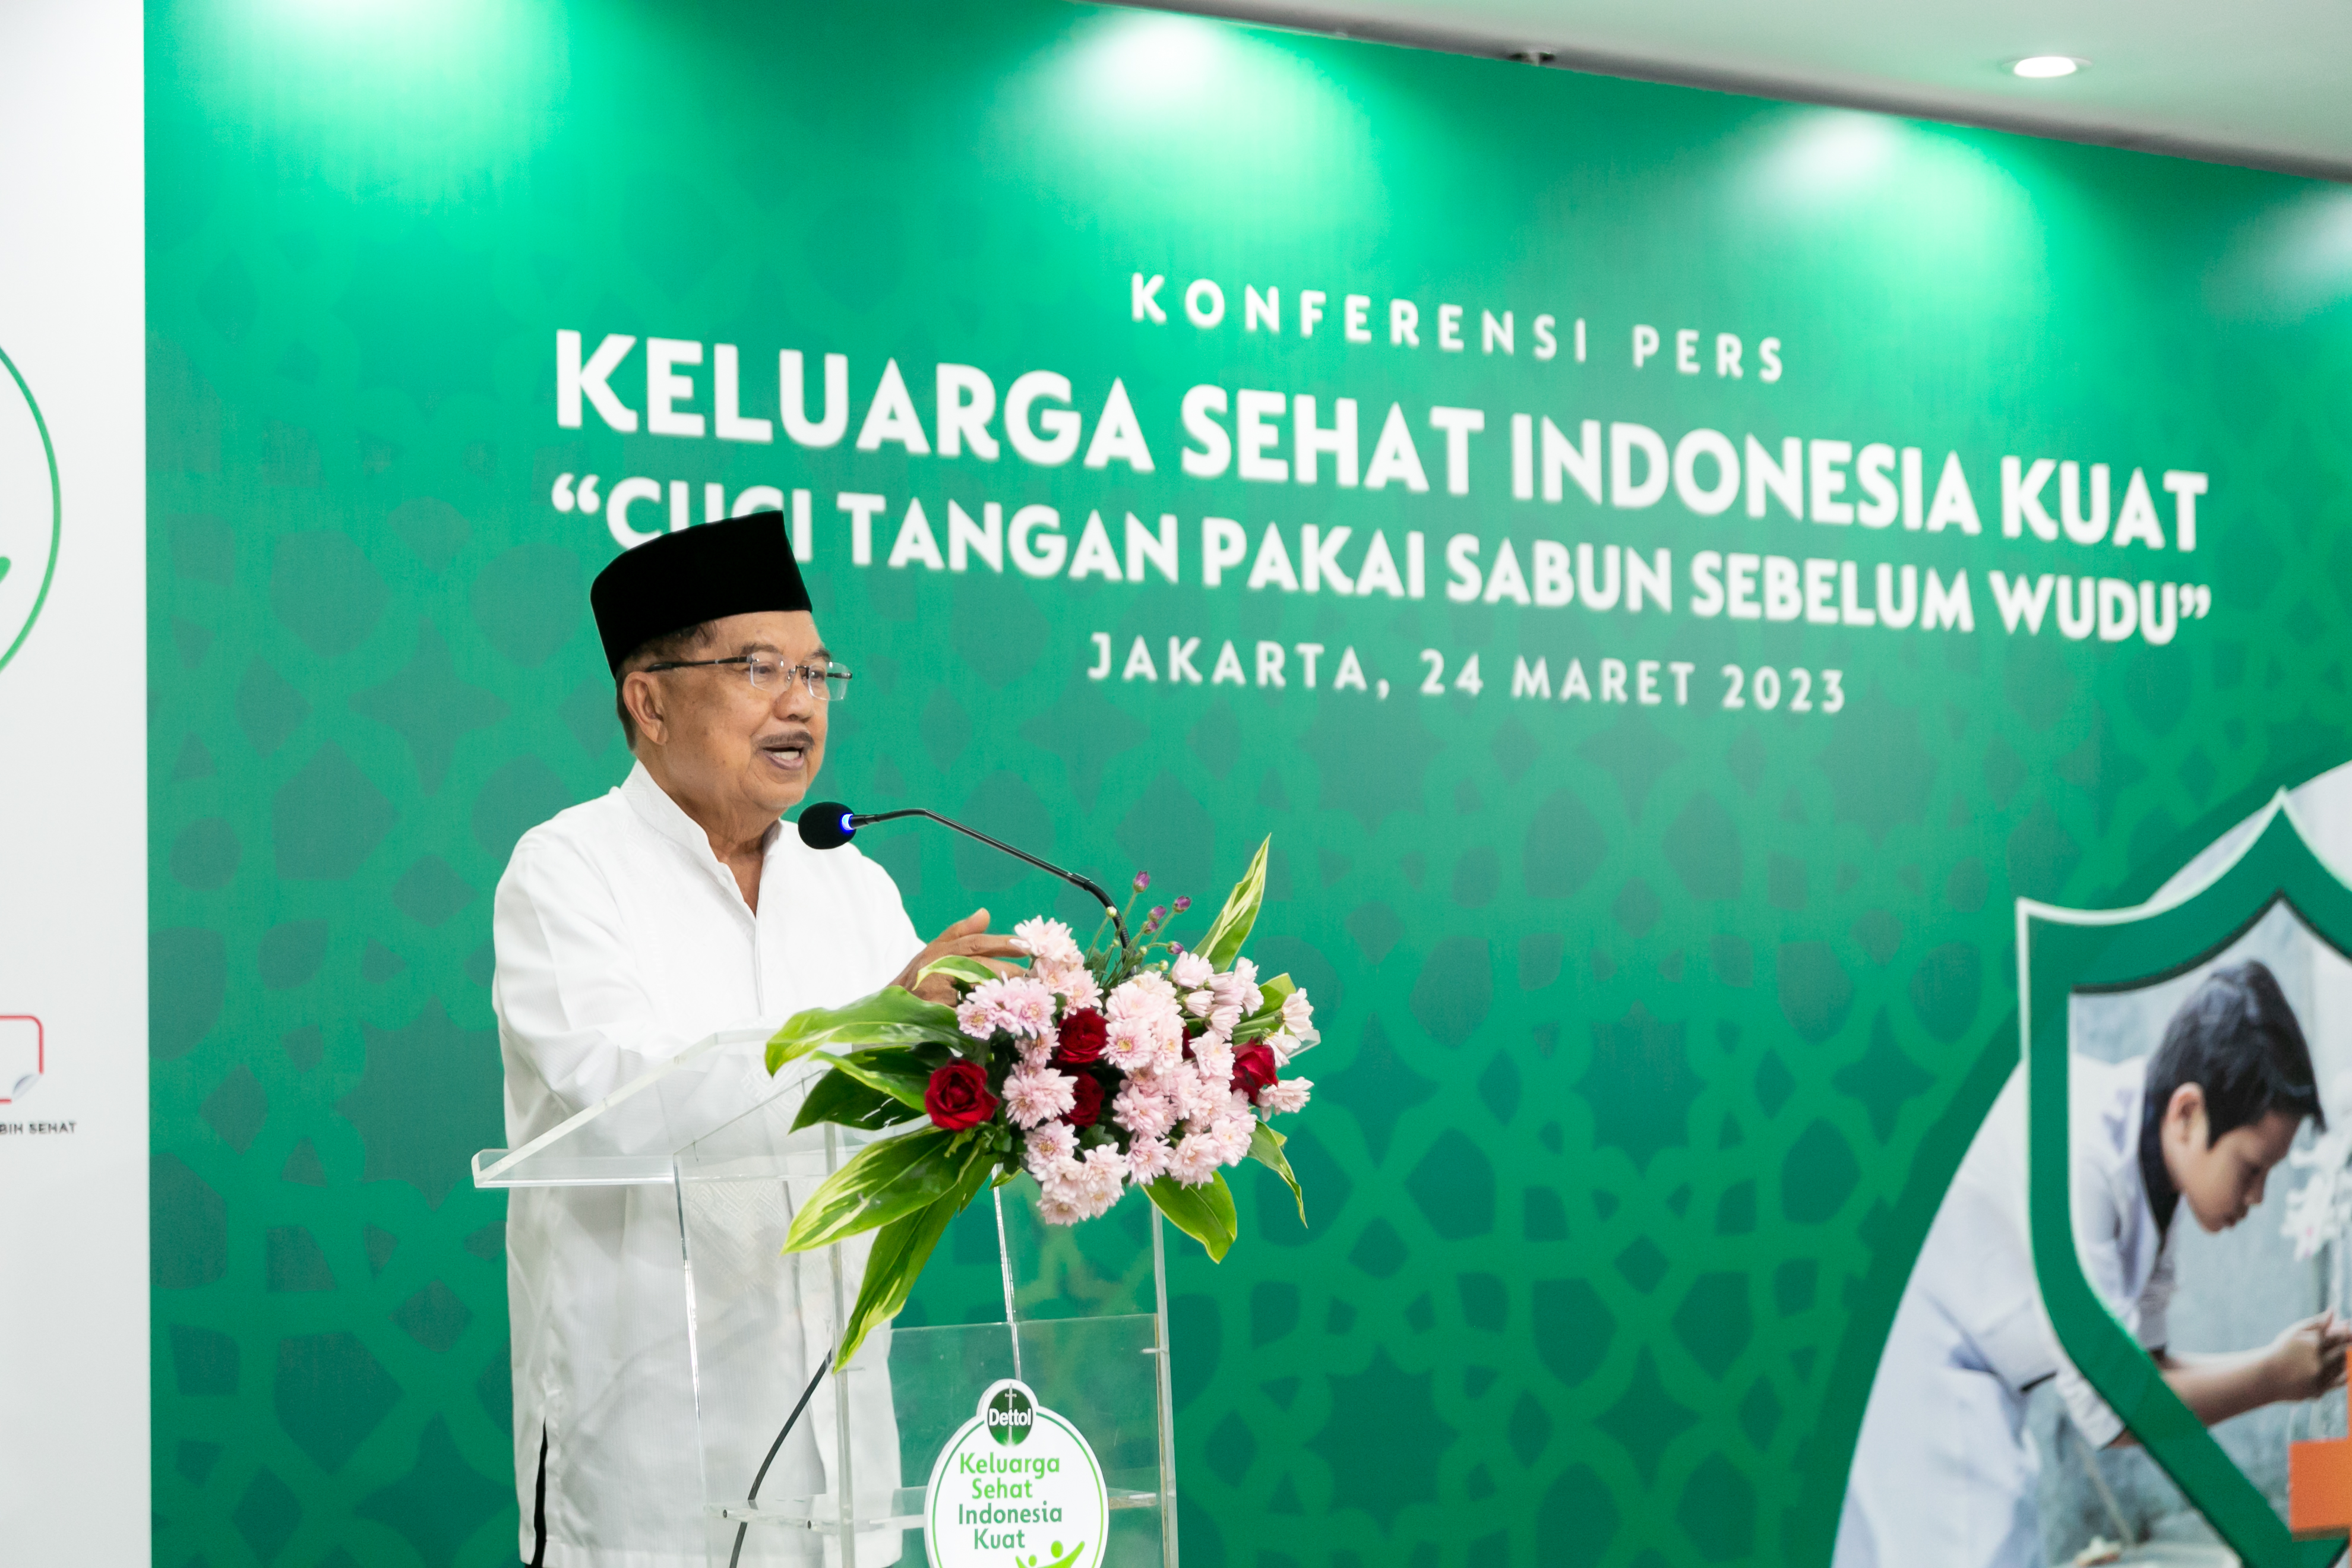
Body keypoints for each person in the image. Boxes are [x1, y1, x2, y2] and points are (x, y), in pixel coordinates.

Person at [492, 513, 1023, 1568]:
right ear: (648, 702)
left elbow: (913, 1105)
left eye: (820, 674)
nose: (800, 703)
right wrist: (876, 1027)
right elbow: (623, 1101)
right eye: (758, 668)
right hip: (649, 1459)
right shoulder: (565, 871)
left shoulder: (854, 882)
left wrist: (1023, 1066)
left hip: (841, 1456)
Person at [1836, 959, 2350, 1568]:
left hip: (1984, 1374)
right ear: (2188, 1113)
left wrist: (2280, 1365)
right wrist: (2270, 1375)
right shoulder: (2084, 1153)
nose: (2257, 1196)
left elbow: (2145, 1370)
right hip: (1921, 1359)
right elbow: (2113, 1407)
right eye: (2251, 1168)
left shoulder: (2156, 1178)